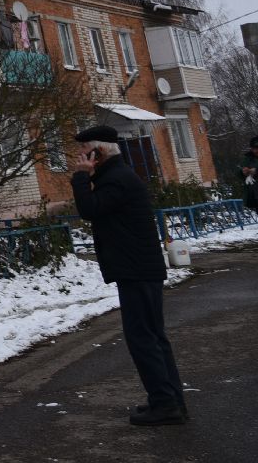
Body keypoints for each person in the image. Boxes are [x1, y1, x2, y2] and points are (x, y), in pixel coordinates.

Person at [70, 124, 186, 426]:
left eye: (84, 150)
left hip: (136, 270)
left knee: (143, 339)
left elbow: (90, 209)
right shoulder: (116, 176)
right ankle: (169, 400)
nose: (79, 155)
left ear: (99, 151)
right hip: (139, 268)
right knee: (153, 337)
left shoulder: (117, 179)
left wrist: (81, 176)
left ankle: (166, 404)